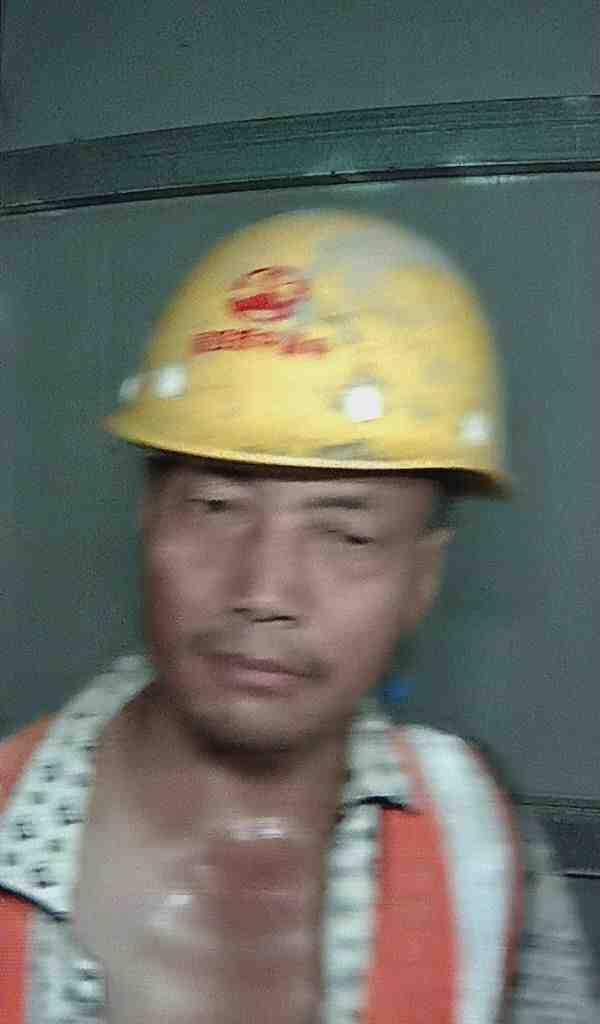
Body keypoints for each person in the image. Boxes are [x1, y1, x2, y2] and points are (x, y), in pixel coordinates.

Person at [0, 210, 596, 1022]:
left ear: (422, 577)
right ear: (148, 519)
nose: (265, 590)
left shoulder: (479, 847)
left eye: (346, 534)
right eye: (216, 507)